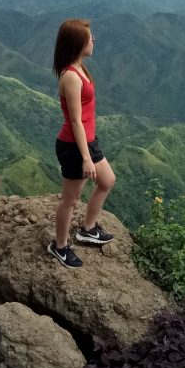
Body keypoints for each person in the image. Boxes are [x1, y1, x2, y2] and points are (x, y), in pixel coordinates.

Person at [48, 18, 116, 268]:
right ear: (78, 43)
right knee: (70, 200)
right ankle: (60, 246)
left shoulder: (81, 69)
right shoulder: (71, 77)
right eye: (89, 37)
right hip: (74, 146)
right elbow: (75, 121)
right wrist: (86, 157)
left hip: (88, 141)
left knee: (107, 180)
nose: (94, 40)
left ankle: (88, 228)